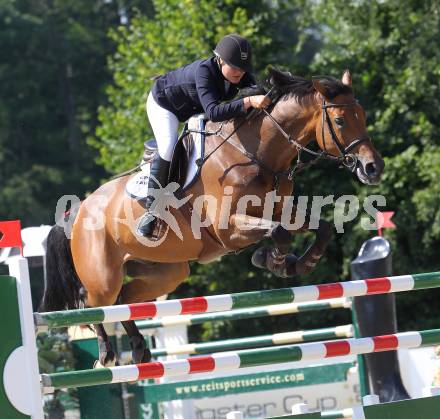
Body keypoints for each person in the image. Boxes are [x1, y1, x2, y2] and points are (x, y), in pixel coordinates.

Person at [138, 33, 271, 237]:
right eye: (234, 67)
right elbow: (214, 113)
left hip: (193, 111)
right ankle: (151, 211)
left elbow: (258, 92)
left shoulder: (242, 75)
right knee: (168, 146)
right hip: (165, 105)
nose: (239, 72)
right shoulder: (204, 72)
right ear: (220, 60)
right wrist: (247, 102)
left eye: (243, 68)